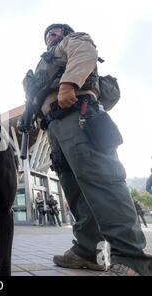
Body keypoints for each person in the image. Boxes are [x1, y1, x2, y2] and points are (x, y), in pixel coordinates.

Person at [19, 23, 152, 275]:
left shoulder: (74, 40)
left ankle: (132, 258)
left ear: (65, 33)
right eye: (47, 34)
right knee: (76, 191)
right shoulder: (47, 60)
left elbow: (85, 53)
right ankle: (88, 250)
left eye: (55, 31)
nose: (50, 36)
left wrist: (68, 84)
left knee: (103, 182)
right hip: (56, 127)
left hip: (78, 115)